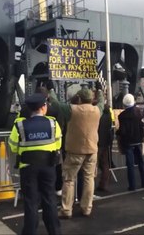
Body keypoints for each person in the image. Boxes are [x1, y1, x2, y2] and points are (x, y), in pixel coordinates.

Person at [9, 93, 62, 234]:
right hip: (48, 167)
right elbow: (58, 144)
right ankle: (54, 231)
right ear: (43, 107)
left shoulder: (19, 125)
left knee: (31, 203)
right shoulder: (53, 123)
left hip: (27, 168)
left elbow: (13, 146)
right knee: (49, 200)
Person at [49, 83, 104, 219]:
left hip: (74, 151)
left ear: (79, 98)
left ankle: (66, 210)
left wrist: (51, 89)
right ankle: (86, 208)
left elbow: (55, 104)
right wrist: (100, 90)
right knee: (89, 179)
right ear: (91, 99)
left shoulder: (71, 110)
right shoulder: (97, 110)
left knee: (68, 180)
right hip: (92, 150)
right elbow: (102, 102)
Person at [117, 94, 144, 190]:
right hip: (138, 140)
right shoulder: (139, 112)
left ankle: (132, 185)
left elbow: (122, 131)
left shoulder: (122, 116)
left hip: (128, 142)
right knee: (141, 162)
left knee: (130, 165)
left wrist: (117, 132)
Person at [96, 105, 113, 192]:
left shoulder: (98, 116)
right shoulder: (108, 116)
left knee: (95, 165)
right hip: (105, 142)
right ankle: (104, 184)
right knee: (105, 164)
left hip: (97, 142)